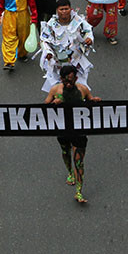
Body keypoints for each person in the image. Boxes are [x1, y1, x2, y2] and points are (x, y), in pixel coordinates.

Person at [45, 64, 101, 204]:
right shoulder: (55, 90)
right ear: (61, 79)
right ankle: (70, 172)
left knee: (79, 161)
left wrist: (94, 101)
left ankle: (79, 191)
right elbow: (42, 109)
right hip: (63, 129)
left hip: (79, 130)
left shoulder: (82, 90)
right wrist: (54, 103)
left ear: (76, 78)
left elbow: (90, 101)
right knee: (65, 152)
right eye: (65, 80)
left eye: (70, 80)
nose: (68, 83)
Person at [38, 0, 95, 92]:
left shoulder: (78, 20)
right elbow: (44, 41)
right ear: (57, 10)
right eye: (61, 9)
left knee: (79, 83)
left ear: (70, 9)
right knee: (59, 85)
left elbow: (88, 30)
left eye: (66, 9)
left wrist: (89, 39)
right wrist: (48, 52)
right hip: (59, 61)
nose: (64, 11)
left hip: (76, 59)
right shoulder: (51, 24)